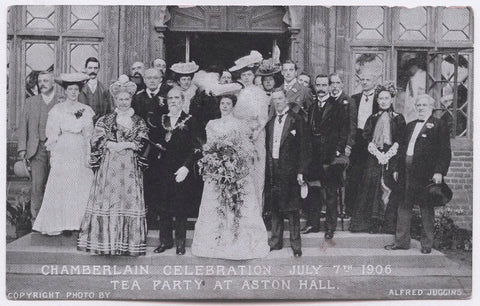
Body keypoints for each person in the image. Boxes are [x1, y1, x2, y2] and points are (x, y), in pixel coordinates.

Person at [78, 75, 149, 256]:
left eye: (126, 99)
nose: (123, 102)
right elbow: (96, 140)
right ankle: (107, 243)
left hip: (130, 167)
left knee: (127, 200)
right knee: (109, 201)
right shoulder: (106, 119)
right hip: (110, 166)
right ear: (115, 100)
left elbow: (144, 141)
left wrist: (126, 144)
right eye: (120, 99)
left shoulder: (139, 121)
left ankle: (127, 244)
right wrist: (110, 144)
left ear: (131, 99)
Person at [191, 95, 269, 259]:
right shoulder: (212, 124)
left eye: (228, 104)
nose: (225, 106)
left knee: (237, 203)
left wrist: (234, 163)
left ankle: (237, 240)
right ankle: (215, 242)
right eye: (222, 103)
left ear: (233, 106)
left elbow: (244, 147)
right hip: (217, 171)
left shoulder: (240, 124)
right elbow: (209, 147)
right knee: (215, 203)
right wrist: (216, 162)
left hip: (235, 171)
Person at [385, 94, 451, 254]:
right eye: (418, 105)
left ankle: (427, 244)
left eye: (423, 105)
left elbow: (445, 151)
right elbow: (401, 149)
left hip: (425, 173)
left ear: (431, 107)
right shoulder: (410, 125)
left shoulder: (439, 125)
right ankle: (401, 242)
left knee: (426, 206)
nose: (420, 108)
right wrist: (395, 168)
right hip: (405, 171)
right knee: (404, 204)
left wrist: (439, 171)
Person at [32, 73, 94, 236]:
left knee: (80, 184)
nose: (73, 92)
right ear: (65, 91)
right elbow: (52, 135)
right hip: (63, 148)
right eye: (70, 89)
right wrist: (54, 156)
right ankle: (64, 222)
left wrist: (88, 154)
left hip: (79, 148)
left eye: (76, 89)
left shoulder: (86, 110)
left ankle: (78, 222)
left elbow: (89, 135)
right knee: (63, 185)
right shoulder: (57, 110)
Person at [150, 88, 202, 255]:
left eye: (176, 98)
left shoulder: (191, 120)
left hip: (181, 169)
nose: (173, 100)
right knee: (163, 206)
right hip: (163, 169)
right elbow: (155, 142)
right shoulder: (161, 119)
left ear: (182, 100)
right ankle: (165, 241)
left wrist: (186, 167)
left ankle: (180, 242)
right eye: (170, 98)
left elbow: (197, 147)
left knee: (181, 207)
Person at [350, 83, 406, 234]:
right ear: (377, 100)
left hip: (392, 157)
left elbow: (401, 139)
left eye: (386, 98)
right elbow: (366, 137)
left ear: (391, 99)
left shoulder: (398, 118)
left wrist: (389, 154)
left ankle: (388, 225)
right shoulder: (372, 118)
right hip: (374, 158)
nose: (383, 101)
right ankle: (372, 224)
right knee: (372, 187)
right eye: (380, 98)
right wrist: (378, 153)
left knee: (389, 186)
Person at [303, 74, 348, 239]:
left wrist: (338, 150)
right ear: (315, 86)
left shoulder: (337, 106)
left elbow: (344, 130)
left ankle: (330, 227)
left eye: (324, 85)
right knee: (314, 191)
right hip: (314, 156)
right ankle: (313, 224)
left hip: (330, 156)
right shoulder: (313, 106)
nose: (321, 88)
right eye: (318, 85)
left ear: (330, 87)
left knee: (330, 193)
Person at [266, 89, 308, 257]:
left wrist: (301, 171)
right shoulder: (270, 122)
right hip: (274, 168)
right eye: (274, 99)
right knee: (275, 205)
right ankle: (275, 241)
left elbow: (305, 148)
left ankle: (296, 244)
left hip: (290, 170)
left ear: (286, 99)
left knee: (292, 208)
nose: (277, 102)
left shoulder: (296, 120)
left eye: (280, 98)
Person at [17, 71, 59, 223]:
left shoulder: (60, 102)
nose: (42, 84)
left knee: (55, 186)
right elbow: (23, 126)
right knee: (37, 186)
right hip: (36, 150)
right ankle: (37, 221)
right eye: (40, 81)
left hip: (56, 150)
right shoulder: (30, 102)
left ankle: (55, 221)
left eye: (46, 81)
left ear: (53, 83)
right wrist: (22, 149)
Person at [229, 51, 270, 209]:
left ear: (253, 76)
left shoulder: (259, 93)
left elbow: (263, 117)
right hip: (240, 137)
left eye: (248, 75)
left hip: (255, 136)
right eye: (243, 75)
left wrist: (254, 134)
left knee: (255, 175)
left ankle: (256, 214)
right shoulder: (237, 92)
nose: (246, 78)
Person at [345, 73, 380, 217]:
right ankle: (350, 209)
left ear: (375, 81)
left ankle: (367, 211)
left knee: (370, 174)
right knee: (353, 174)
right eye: (363, 80)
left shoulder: (380, 99)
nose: (365, 82)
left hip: (373, 140)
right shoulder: (354, 99)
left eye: (368, 79)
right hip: (357, 140)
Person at [78, 57, 112, 123]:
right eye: (90, 68)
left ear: (98, 69)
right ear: (86, 69)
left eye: (95, 68)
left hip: (100, 127)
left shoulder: (104, 90)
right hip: (83, 126)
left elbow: (108, 112)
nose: (93, 71)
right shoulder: (79, 89)